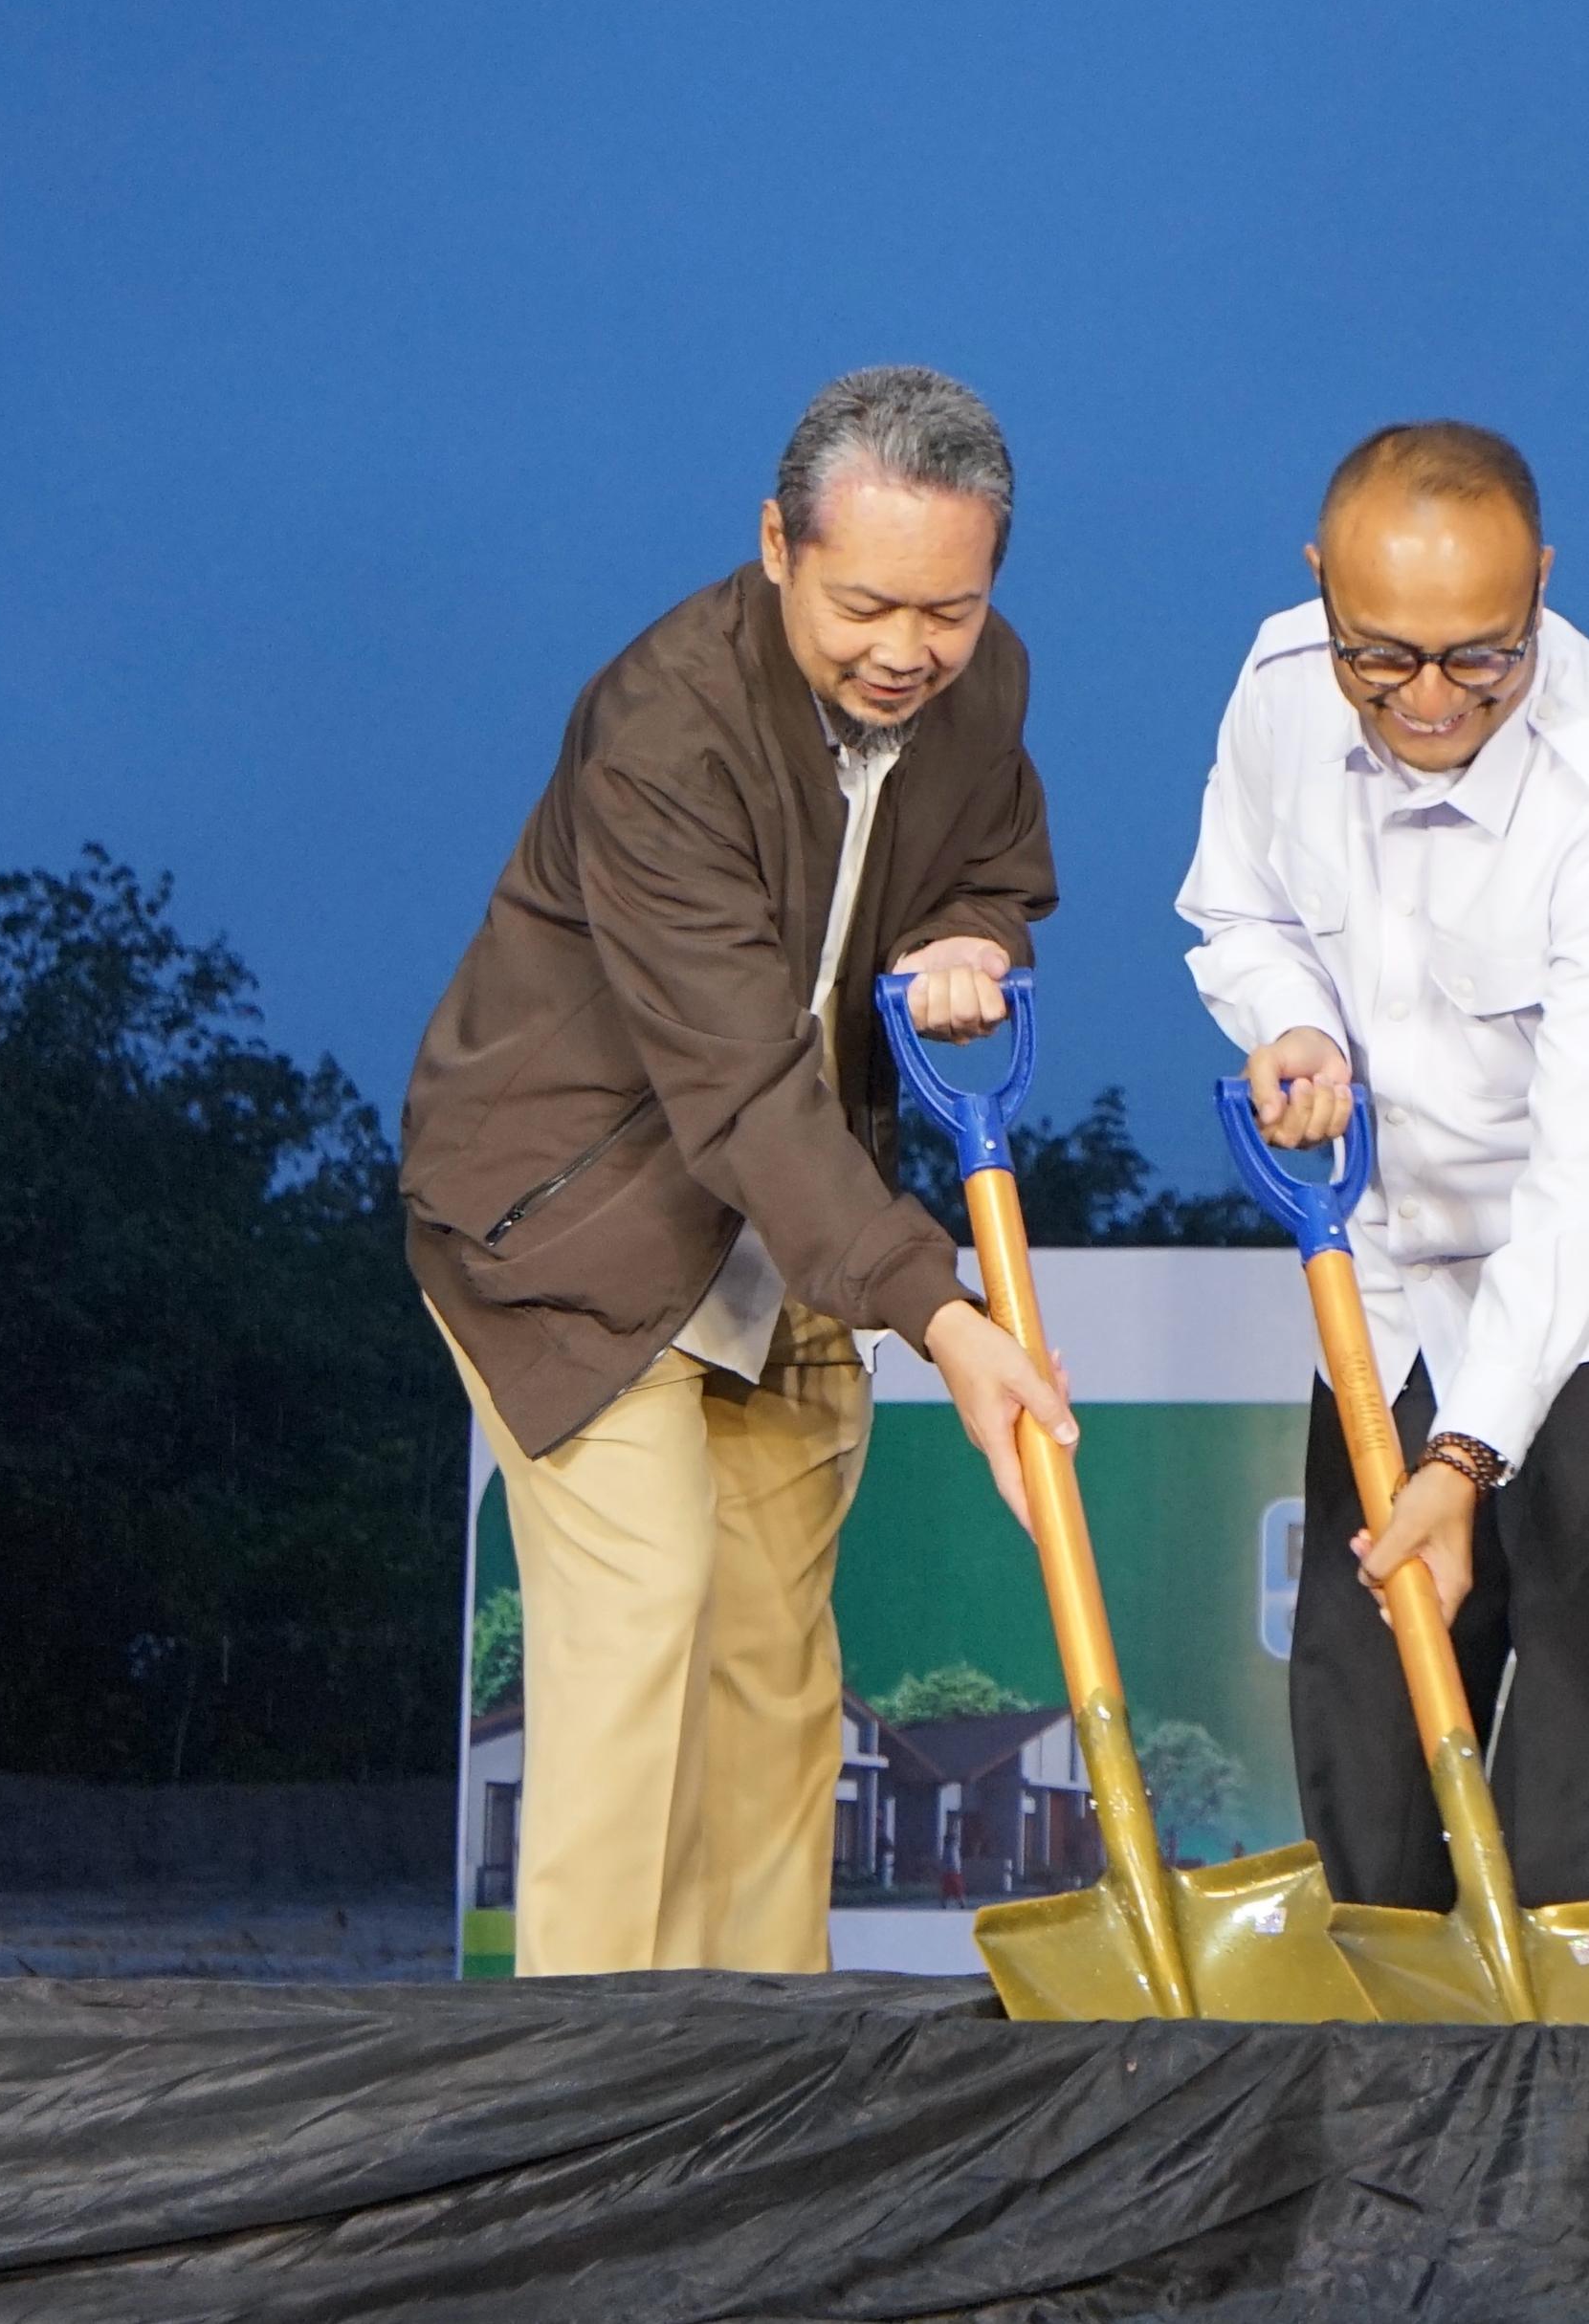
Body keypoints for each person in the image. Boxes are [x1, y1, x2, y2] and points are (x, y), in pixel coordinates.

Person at [403, 366, 1075, 1978]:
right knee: (642, 1619)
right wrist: (948, 1314)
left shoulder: (984, 690)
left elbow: (992, 857)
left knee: (777, 1673)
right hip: (571, 1219)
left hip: (791, 1241)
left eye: (952, 609)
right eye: (867, 604)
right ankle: (582, 2100)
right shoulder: (659, 730)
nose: (909, 649)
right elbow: (742, 1088)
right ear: (776, 544)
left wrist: (973, 934)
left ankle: (766, 2094)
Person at [1178, 419, 1589, 1914]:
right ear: (1322, 587)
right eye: (1383, 658)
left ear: (1543, 592)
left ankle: (1565, 2052)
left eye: (1484, 658)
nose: (1434, 700)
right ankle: (1382, 2007)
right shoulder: (1273, 691)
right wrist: (1295, 1027)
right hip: (1386, 1216)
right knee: (1368, 1617)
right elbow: (1236, 914)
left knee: (1569, 1582)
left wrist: (1467, 1453)